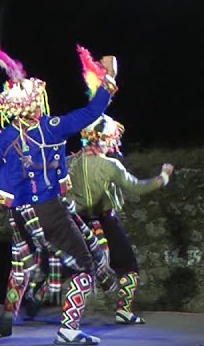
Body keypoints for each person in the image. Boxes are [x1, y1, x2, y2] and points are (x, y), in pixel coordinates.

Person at [0, 38, 115, 345]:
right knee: (86, 265)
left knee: (22, 262)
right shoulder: (51, 127)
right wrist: (107, 82)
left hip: (19, 213)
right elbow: (91, 112)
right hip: (48, 210)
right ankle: (69, 328)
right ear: (35, 103)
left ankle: (8, 313)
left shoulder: (3, 138)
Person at [67, 114, 172, 325]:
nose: (113, 145)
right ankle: (123, 310)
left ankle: (65, 318)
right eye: (112, 140)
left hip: (77, 222)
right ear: (105, 139)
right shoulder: (110, 165)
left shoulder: (70, 162)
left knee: (77, 271)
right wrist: (163, 178)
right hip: (105, 221)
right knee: (128, 267)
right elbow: (136, 186)